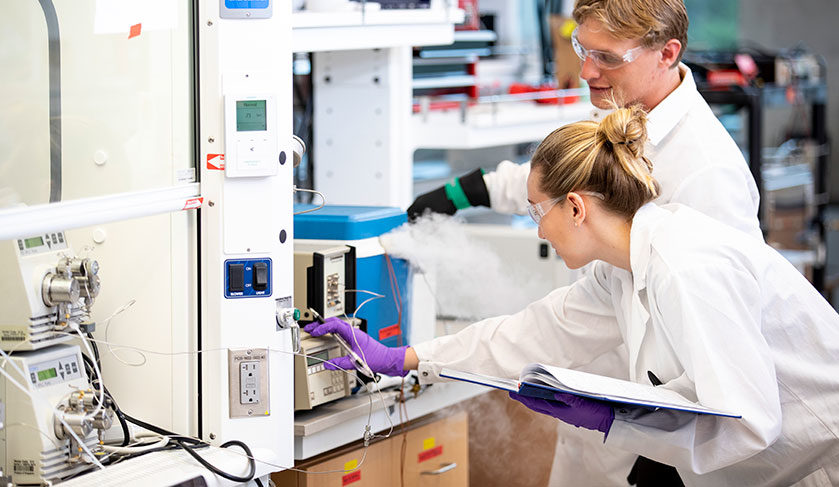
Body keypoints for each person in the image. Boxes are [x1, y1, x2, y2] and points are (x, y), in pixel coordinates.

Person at [306, 108, 839, 487]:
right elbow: (536, 331)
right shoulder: (624, 268)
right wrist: (405, 358)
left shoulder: (686, 264)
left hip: (816, 463)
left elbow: (749, 421)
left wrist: (618, 419)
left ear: (577, 208)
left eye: (539, 213)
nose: (539, 232)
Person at [410, 0, 763, 485]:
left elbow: (729, 358)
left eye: (606, 57)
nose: (587, 71)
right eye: (582, 50)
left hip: (676, 439)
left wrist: (666, 450)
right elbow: (567, 174)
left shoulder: (706, 173)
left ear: (667, 53)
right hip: (609, 404)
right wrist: (474, 189)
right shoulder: (627, 108)